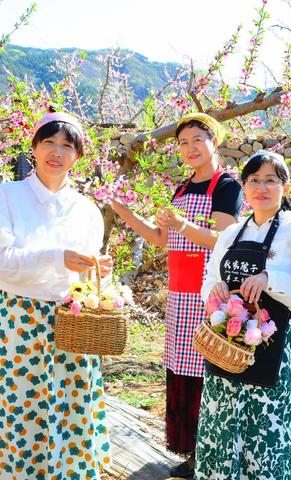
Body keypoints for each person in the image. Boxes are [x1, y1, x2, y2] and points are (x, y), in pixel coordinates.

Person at [111, 112, 242, 478]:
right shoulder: (182, 189)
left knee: (207, 372)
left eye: (198, 139)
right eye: (183, 142)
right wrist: (121, 208)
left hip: (210, 294)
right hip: (180, 292)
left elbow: (223, 239)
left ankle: (211, 454)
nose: (189, 148)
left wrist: (182, 224)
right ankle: (191, 452)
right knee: (182, 371)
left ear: (214, 141)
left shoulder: (227, 186)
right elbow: (160, 239)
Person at [195, 150, 291, 480]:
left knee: (266, 433)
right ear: (243, 186)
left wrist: (270, 279)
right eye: (253, 180)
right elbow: (210, 279)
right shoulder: (231, 234)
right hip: (227, 348)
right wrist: (215, 293)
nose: (262, 187)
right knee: (222, 425)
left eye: (270, 180)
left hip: (275, 350)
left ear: (285, 186)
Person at [0, 111, 114, 480]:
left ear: (78, 156)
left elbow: (82, 276)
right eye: (48, 142)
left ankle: (70, 473)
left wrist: (96, 270)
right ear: (33, 147)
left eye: (67, 146)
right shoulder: (7, 196)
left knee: (71, 405)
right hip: (19, 321)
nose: (56, 152)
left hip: (73, 321)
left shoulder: (86, 211)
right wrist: (57, 257)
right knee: (20, 405)